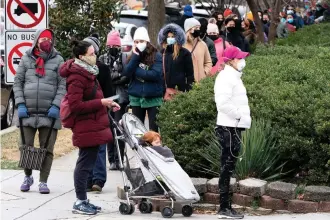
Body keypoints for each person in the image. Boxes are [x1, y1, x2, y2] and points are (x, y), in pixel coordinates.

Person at [60, 40, 120, 215]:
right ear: (81, 57)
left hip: (93, 124)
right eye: (91, 54)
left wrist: (107, 104)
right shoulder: (77, 76)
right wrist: (101, 102)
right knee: (84, 164)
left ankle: (84, 200)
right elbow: (76, 105)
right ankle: (80, 201)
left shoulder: (88, 72)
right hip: (85, 126)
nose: (95, 56)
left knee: (89, 161)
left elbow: (93, 98)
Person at [13, 28, 65, 194]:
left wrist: (56, 106)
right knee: (24, 146)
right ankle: (28, 176)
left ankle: (43, 181)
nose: (46, 42)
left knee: (47, 149)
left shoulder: (58, 60)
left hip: (49, 113)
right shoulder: (26, 59)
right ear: (36, 40)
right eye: (43, 39)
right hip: (27, 112)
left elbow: (63, 85)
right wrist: (20, 104)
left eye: (49, 40)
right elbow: (17, 83)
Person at [214, 46, 251, 219]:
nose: (242, 61)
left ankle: (226, 206)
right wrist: (239, 116)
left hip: (233, 126)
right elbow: (222, 104)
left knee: (229, 166)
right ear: (231, 61)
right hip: (228, 127)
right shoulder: (226, 77)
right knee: (226, 167)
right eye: (239, 58)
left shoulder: (233, 76)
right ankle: (224, 207)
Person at [82, 34, 113, 192]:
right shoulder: (81, 69)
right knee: (93, 146)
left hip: (93, 112)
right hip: (92, 111)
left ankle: (93, 180)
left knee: (94, 146)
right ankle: (93, 180)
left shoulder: (99, 69)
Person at [123, 27, 164, 132]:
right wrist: (135, 57)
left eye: (141, 41)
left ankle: (154, 148)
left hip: (153, 97)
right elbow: (127, 73)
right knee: (138, 131)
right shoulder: (133, 55)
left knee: (153, 130)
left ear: (147, 42)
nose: (138, 44)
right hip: (136, 98)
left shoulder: (157, 55)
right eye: (136, 42)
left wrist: (135, 70)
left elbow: (155, 74)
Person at [99, 30, 129, 170]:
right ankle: (111, 159)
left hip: (121, 98)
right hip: (107, 97)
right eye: (110, 46)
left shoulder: (124, 57)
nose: (113, 49)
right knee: (109, 129)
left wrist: (115, 77)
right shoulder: (102, 58)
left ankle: (120, 158)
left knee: (119, 128)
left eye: (115, 46)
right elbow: (104, 77)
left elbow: (126, 76)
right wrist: (116, 76)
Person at [157, 23, 194, 93]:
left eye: (173, 37)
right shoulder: (162, 53)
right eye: (168, 37)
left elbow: (190, 75)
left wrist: (189, 90)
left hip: (180, 90)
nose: (170, 39)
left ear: (177, 38)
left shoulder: (185, 53)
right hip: (164, 91)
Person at [183, 18, 212, 83]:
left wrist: (204, 72)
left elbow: (208, 62)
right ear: (189, 29)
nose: (199, 30)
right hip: (186, 82)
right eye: (196, 28)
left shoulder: (202, 44)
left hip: (200, 82)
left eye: (199, 28)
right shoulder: (181, 45)